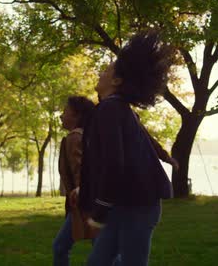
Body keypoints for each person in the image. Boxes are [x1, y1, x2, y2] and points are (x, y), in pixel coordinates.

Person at [78, 30, 174, 266]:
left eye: (107, 70)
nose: (102, 72)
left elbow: (114, 163)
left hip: (137, 205)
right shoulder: (116, 108)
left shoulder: (111, 109)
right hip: (125, 203)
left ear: (117, 81)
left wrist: (100, 209)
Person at [53, 96, 96, 266]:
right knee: (103, 250)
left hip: (85, 203)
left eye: (65, 112)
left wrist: (80, 191)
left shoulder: (74, 138)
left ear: (77, 115)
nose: (61, 116)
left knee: (60, 247)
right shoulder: (88, 135)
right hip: (91, 201)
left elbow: (81, 169)